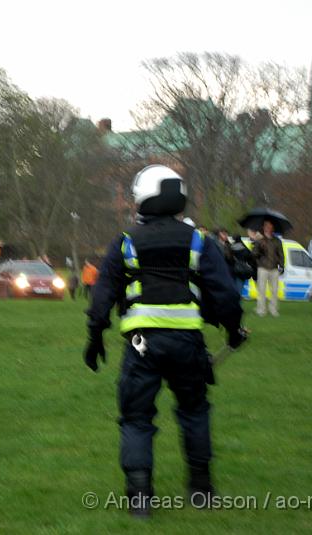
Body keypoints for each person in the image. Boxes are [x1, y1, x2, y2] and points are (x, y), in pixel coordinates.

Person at [84, 165, 245, 517]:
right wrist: (233, 330)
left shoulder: (125, 241)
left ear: (143, 196)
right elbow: (226, 295)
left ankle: (140, 499)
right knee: (194, 411)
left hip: (142, 344)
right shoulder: (199, 241)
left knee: (137, 417)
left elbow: (103, 295)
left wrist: (95, 336)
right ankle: (201, 489)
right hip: (188, 344)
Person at [252, 220, 284, 317]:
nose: (269, 228)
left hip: (274, 267)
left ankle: (273, 309)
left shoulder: (277, 240)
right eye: (267, 226)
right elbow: (254, 254)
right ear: (264, 227)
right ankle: (261, 310)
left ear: (273, 228)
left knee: (274, 290)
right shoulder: (259, 239)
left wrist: (282, 265)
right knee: (261, 290)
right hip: (263, 267)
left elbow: (281, 254)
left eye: (271, 226)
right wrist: (259, 247)